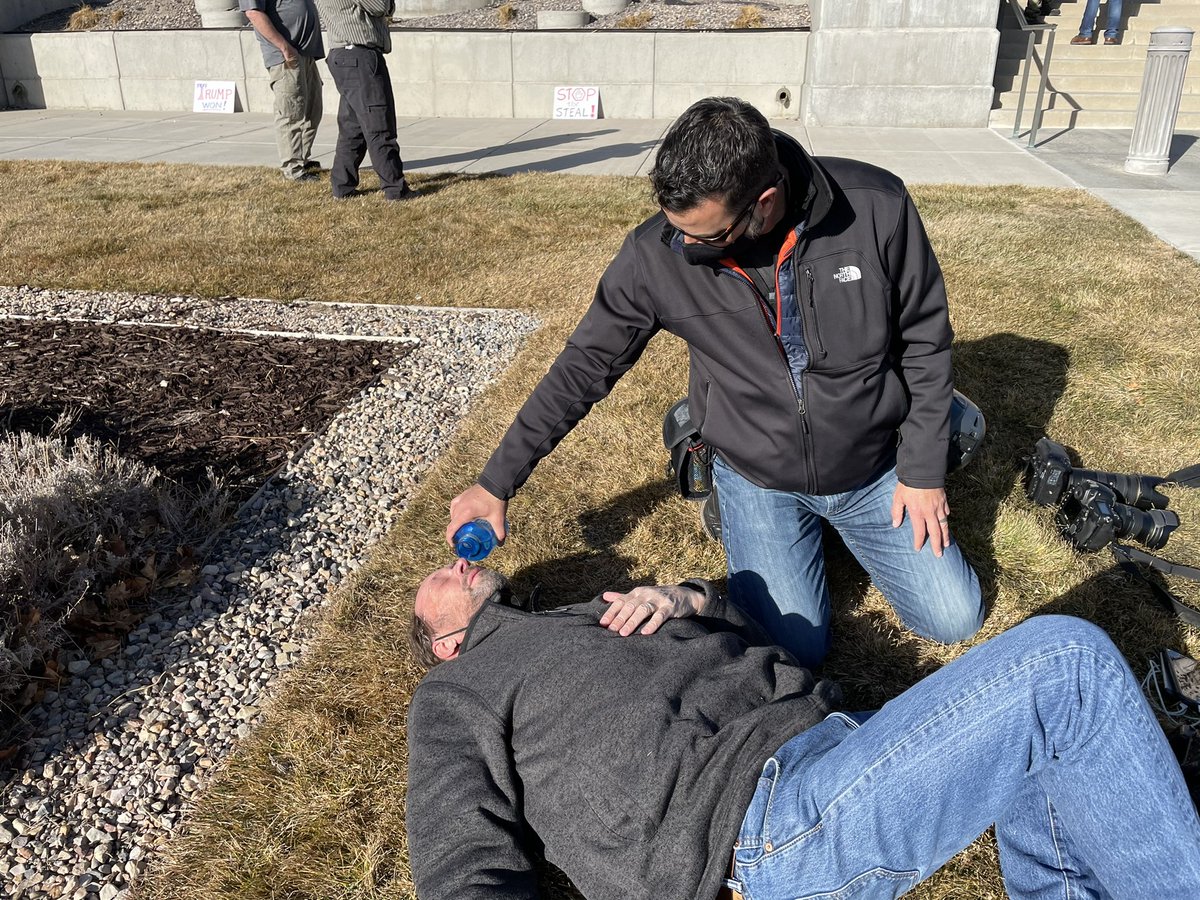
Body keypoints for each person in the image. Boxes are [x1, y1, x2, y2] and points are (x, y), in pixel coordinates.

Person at [446, 96, 983, 666]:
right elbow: (584, 367)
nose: (686, 250)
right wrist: (496, 481)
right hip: (757, 471)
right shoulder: (657, 253)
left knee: (953, 618)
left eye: (706, 235)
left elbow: (925, 339)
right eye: (678, 231)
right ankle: (729, 493)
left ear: (765, 202)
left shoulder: (876, 206)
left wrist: (922, 470)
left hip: (874, 463)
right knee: (794, 649)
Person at [405, 559, 1200, 900]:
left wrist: (690, 598)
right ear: (440, 642)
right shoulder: (454, 691)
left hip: (832, 740)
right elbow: (460, 856)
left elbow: (760, 641)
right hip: (758, 827)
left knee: (1035, 746)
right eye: (436, 582)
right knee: (1066, 666)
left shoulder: (587, 612)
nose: (452, 564)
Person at [310, 0, 418, 200]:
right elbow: (379, 6)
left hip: (342, 55)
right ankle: (395, 189)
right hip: (359, 57)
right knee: (379, 125)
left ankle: (343, 186)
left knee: (353, 129)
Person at [240, 0, 325, 182]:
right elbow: (253, 13)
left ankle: (302, 159)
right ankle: (292, 168)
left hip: (305, 53)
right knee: (291, 113)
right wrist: (284, 47)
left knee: (312, 110)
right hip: (286, 57)